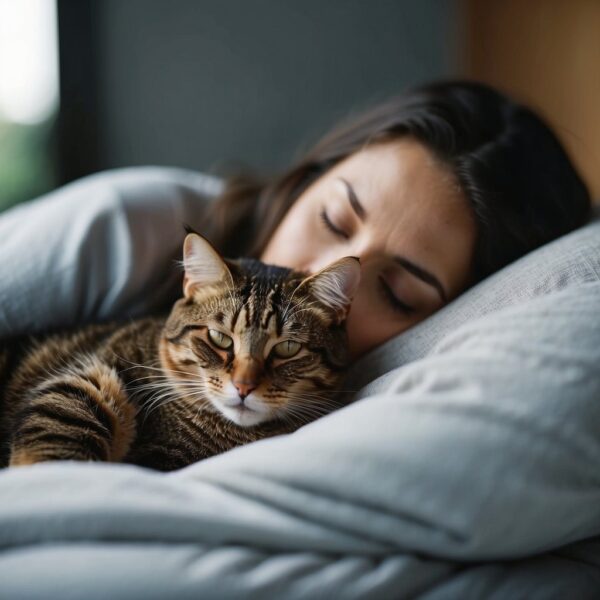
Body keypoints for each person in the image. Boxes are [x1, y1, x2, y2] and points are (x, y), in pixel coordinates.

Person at [0, 80, 591, 359]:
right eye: (334, 220)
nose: (318, 276)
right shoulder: (133, 224)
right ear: (308, 178)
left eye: (394, 289)